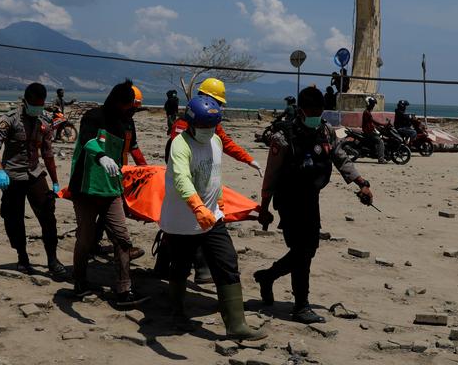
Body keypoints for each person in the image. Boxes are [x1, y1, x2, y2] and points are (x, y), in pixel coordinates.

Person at [254, 86, 375, 323]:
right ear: (301, 110)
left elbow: (340, 158)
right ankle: (300, 305)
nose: (315, 115)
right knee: (302, 251)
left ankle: (267, 277)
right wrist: (264, 207)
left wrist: (361, 182)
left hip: (311, 199)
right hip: (288, 200)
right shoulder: (283, 136)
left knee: (308, 250)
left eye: (319, 111)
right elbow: (271, 174)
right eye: (312, 111)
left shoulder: (325, 130)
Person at [161, 95, 267, 341]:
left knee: (227, 262)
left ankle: (236, 324)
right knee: (179, 268)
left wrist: (218, 203)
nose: (208, 131)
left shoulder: (216, 141)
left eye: (212, 126)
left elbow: (214, 174)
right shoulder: (180, 145)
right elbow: (181, 179)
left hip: (212, 218)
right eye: (204, 126)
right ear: (190, 123)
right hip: (182, 221)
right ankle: (176, 315)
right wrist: (197, 207)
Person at [165, 77, 262, 284]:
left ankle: (199, 272)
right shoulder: (186, 128)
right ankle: (174, 277)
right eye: (217, 102)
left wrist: (249, 159)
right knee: (181, 240)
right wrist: (196, 204)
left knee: (212, 244)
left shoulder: (211, 128)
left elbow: (221, 150)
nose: (219, 106)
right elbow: (181, 173)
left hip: (205, 191)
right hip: (183, 187)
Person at [67, 79, 148, 307]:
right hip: (86, 189)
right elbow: (86, 140)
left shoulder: (126, 124)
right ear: (116, 101)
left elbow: (131, 150)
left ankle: (124, 290)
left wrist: (141, 171)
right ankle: (80, 282)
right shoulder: (93, 117)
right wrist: (101, 156)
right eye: (127, 106)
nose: (129, 110)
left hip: (112, 189)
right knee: (85, 238)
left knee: (122, 239)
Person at [0, 83, 65, 277]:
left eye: (41, 104)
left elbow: (47, 154)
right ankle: (22, 258)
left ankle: (52, 260)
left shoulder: (43, 123)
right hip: (12, 176)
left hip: (35, 174)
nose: (38, 108)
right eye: (35, 104)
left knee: (48, 215)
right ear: (26, 100)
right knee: (14, 219)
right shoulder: (10, 119)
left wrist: (55, 182)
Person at [361, 96, 387, 164]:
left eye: (373, 105)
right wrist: (383, 124)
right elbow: (373, 121)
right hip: (368, 132)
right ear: (369, 104)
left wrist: (378, 127)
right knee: (380, 141)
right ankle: (381, 159)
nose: (373, 106)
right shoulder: (366, 112)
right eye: (372, 104)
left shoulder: (367, 112)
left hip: (370, 131)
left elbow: (372, 123)